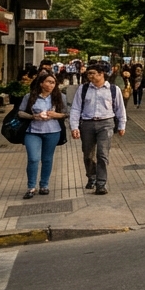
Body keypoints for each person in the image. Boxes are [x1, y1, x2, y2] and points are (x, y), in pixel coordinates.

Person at [69, 63, 126, 195]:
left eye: (93, 73)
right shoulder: (83, 89)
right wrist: (74, 126)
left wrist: (122, 125)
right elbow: (76, 108)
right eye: (88, 74)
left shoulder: (113, 89)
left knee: (102, 154)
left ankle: (101, 183)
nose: (90, 76)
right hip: (87, 124)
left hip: (106, 124)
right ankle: (92, 176)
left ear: (101, 74)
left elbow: (120, 108)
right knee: (88, 154)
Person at [19, 71, 67, 199]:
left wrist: (56, 115)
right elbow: (20, 112)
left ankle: (44, 185)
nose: (51, 85)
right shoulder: (30, 96)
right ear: (41, 83)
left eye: (53, 83)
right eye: (48, 82)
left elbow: (66, 113)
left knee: (47, 159)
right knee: (33, 158)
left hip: (52, 131)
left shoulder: (59, 97)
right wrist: (33, 116)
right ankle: (31, 187)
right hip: (33, 131)